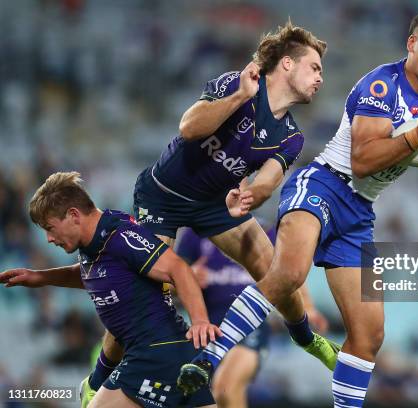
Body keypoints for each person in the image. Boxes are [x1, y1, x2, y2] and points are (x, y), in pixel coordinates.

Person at [178, 11, 418, 407]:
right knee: (289, 272)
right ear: (412, 43)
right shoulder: (382, 85)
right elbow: (363, 160)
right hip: (324, 184)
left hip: (360, 213)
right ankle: (208, 358)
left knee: (369, 334)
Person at [80, 21, 338, 406]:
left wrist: (249, 195)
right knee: (145, 294)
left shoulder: (292, 136)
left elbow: (268, 180)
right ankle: (96, 381)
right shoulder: (237, 82)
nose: (320, 77)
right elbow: (189, 127)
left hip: (216, 204)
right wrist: (238, 98)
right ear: (286, 64)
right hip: (162, 195)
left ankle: (305, 337)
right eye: (315, 67)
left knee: (276, 269)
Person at [0, 172, 221, 408]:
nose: (48, 238)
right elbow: (90, 274)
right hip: (165, 353)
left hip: (153, 353)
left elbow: (178, 268)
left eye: (50, 228)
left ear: (73, 215)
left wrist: (199, 321)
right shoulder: (94, 244)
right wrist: (40, 277)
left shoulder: (121, 237)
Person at [175, 226, 317, 407]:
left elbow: (289, 276)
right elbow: (170, 282)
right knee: (206, 398)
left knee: (226, 385)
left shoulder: (266, 232)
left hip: (250, 327)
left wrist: (309, 307)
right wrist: (188, 277)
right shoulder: (195, 234)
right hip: (207, 329)